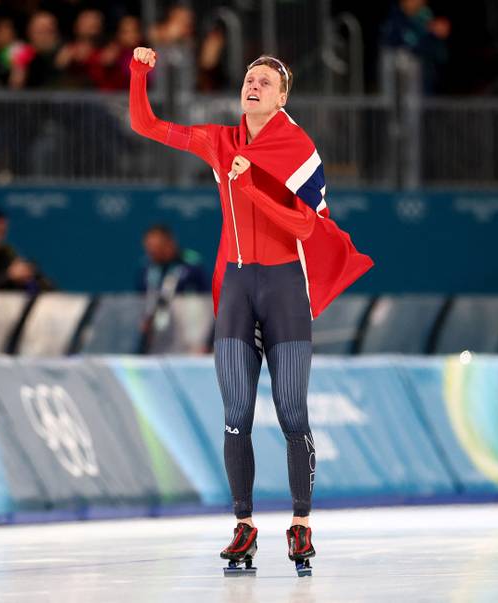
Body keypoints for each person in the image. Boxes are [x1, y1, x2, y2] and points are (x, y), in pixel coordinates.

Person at [129, 47, 373, 574]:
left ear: (282, 97)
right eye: (248, 78)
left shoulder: (297, 147)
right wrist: (138, 73)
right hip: (238, 288)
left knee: (291, 413)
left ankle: (301, 524)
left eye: (265, 81)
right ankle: (243, 525)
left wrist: (250, 188)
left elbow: (309, 226)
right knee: (236, 414)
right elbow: (146, 125)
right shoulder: (220, 141)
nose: (253, 85)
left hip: (285, 288)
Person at [137, 224, 209, 295]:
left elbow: (206, 296)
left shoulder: (192, 266)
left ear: (169, 243)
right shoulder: (145, 269)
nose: (152, 251)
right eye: (149, 247)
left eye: (157, 247)